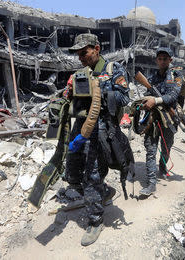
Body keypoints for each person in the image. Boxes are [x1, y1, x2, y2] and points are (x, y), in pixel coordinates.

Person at [64, 33, 130, 246]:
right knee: (72, 173)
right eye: (79, 55)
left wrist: (98, 90)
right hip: (80, 129)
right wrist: (69, 92)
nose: (81, 58)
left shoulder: (113, 70)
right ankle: (103, 191)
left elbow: (124, 97)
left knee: (91, 175)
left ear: (97, 49)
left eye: (85, 52)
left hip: (101, 131)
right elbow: (68, 97)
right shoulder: (79, 73)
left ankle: (95, 220)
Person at [139, 47, 181, 197]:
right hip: (154, 117)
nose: (162, 61)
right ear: (157, 60)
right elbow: (145, 93)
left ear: (170, 60)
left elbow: (173, 95)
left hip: (169, 118)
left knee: (166, 147)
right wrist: (144, 101)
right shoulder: (151, 78)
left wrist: (155, 100)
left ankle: (162, 167)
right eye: (160, 58)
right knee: (150, 149)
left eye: (165, 58)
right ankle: (151, 183)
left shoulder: (176, 75)